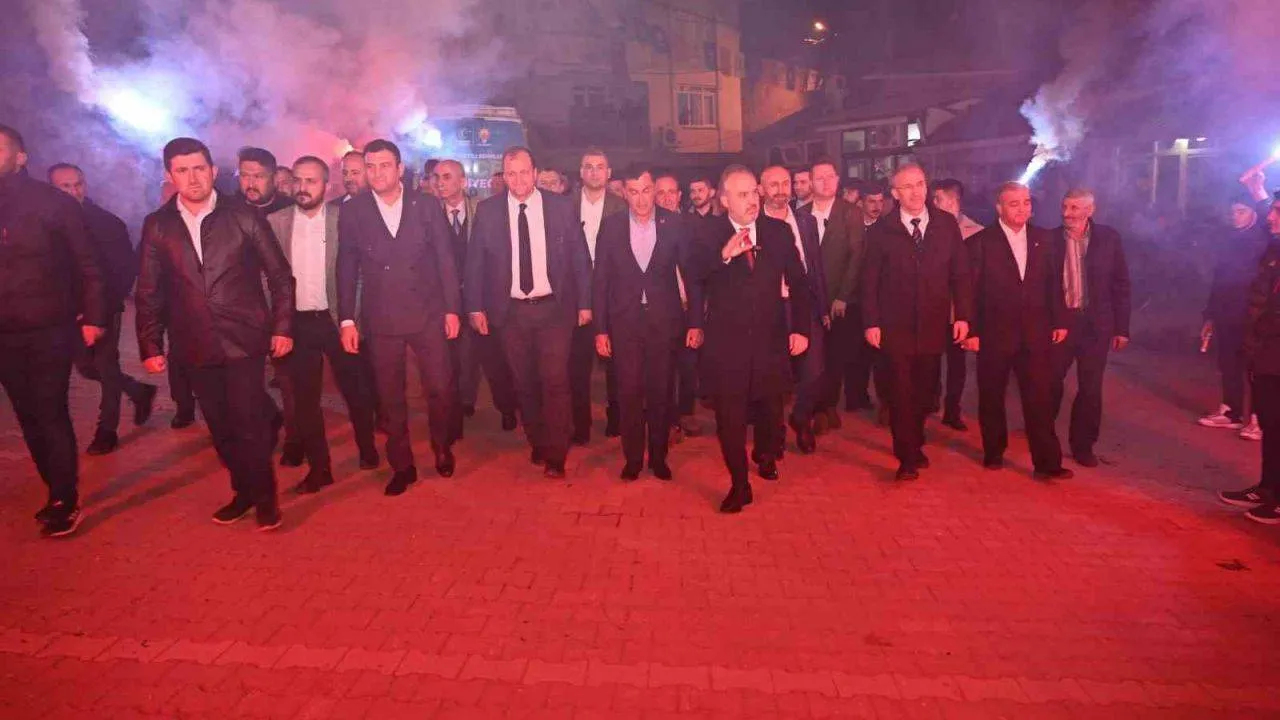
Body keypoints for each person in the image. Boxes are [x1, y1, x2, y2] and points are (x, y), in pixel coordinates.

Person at [136, 137, 295, 530]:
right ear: (169, 176)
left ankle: (265, 499)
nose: (193, 178)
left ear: (213, 171)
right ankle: (244, 491)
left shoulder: (242, 215)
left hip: (243, 339)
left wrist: (282, 327)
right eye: (182, 170)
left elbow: (280, 276)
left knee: (247, 423)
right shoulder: (158, 225)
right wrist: (150, 344)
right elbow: (149, 290)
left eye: (199, 168)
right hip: (193, 342)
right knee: (220, 428)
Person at [0, 124, 108, 538]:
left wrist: (94, 316)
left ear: (21, 157)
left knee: (49, 410)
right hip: (4, 333)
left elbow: (89, 264)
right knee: (26, 414)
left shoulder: (53, 204)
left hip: (49, 328)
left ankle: (65, 497)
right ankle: (54, 488)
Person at [336, 139, 461, 494]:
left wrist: (452, 309)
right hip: (382, 317)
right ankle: (402, 465)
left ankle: (441, 446)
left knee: (440, 387)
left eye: (384, 165)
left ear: (400, 169)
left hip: (428, 312)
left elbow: (445, 259)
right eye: (370, 166)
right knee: (390, 397)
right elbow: (346, 266)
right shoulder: (354, 210)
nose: (377, 173)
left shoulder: (426, 205)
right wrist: (347, 319)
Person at [686, 166, 811, 513]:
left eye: (754, 192)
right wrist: (724, 255)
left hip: (770, 343)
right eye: (742, 195)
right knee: (730, 419)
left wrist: (801, 329)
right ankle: (740, 485)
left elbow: (799, 282)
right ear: (725, 200)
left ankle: (766, 454)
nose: (752, 200)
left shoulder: (778, 231)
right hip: (726, 347)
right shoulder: (707, 233)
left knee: (771, 414)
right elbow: (693, 274)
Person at [465, 146, 593, 479]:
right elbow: (475, 262)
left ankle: (556, 453)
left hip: (554, 310)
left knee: (555, 380)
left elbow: (580, 258)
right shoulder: (488, 211)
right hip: (511, 313)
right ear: (503, 176)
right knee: (524, 382)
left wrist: (585, 302)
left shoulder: (560, 207)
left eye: (524, 172)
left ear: (535, 173)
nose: (519, 180)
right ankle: (538, 440)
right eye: (511, 173)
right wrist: (475, 306)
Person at [266, 156, 380, 494]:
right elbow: (268, 277)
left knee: (355, 392)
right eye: (298, 180)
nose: (303, 187)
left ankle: (367, 448)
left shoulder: (343, 219)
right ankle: (320, 469)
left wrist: (352, 318)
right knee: (304, 401)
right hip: (298, 323)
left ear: (326, 186)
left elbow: (360, 273)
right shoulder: (276, 223)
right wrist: (278, 325)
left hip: (337, 320)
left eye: (311, 181)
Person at [862, 165, 972, 480]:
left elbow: (961, 274)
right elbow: (869, 281)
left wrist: (963, 316)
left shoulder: (945, 224)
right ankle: (906, 456)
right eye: (907, 187)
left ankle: (915, 440)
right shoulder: (882, 230)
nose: (915, 192)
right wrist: (871, 322)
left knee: (925, 393)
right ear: (895, 194)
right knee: (900, 392)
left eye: (920, 184)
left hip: (933, 324)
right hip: (894, 326)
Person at [593, 166, 701, 480]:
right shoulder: (611, 227)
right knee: (628, 393)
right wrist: (600, 329)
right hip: (624, 323)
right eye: (634, 192)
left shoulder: (674, 224)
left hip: (664, 322)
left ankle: (658, 456)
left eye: (646, 190)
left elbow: (691, 276)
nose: (641, 199)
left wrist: (695, 322)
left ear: (654, 190)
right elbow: (600, 281)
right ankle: (632, 459)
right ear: (624, 194)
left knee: (661, 392)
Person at [964, 181, 1072, 480]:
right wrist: (971, 330)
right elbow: (969, 292)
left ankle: (1047, 463)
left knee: (1039, 398)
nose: (1023, 209)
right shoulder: (980, 243)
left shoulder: (1044, 240)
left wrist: (1059, 320)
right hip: (993, 334)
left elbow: (1054, 284)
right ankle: (994, 452)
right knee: (991, 396)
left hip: (1035, 333)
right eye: (1014, 204)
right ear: (999, 208)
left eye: (1026, 202)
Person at [48, 163, 158, 455]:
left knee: (107, 366)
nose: (74, 191)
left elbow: (125, 269)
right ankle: (137, 390)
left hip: (103, 307)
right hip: (65, 311)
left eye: (78, 184)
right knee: (86, 367)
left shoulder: (107, 223)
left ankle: (106, 430)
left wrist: (99, 310)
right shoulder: (46, 222)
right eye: (65, 186)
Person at [1049, 188, 1132, 467]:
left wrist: (1121, 328)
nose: (1067, 213)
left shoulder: (1108, 239)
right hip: (1061, 324)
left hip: (1096, 325)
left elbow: (1121, 284)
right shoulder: (1049, 240)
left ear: (1089, 210)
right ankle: (1043, 431)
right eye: (1064, 207)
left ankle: (1083, 445)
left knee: (1091, 387)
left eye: (1074, 208)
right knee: (1050, 381)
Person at [436, 159, 519, 433]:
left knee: (493, 357)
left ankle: (507, 408)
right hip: (445, 301)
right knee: (450, 361)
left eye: (447, 177)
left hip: (483, 298)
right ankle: (460, 407)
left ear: (463, 182)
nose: (440, 183)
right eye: (437, 177)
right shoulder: (429, 214)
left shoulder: (483, 210)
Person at [1220, 188, 1280, 524]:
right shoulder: (1274, 248)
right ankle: (1269, 488)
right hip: (1267, 351)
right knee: (1270, 423)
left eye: (1277, 211)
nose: (1270, 216)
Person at [760, 164, 827, 454]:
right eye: (773, 184)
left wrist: (823, 306)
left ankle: (801, 417)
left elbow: (816, 266)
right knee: (774, 375)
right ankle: (774, 430)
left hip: (804, 305)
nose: (780, 190)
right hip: (769, 309)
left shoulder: (806, 221)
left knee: (815, 371)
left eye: (785, 183)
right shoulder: (753, 225)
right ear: (761, 189)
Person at [798, 159, 865, 432]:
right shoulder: (800, 214)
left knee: (836, 355)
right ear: (810, 182)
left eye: (830, 177)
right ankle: (814, 406)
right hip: (811, 300)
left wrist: (843, 296)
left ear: (838, 180)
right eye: (819, 178)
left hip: (840, 298)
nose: (826, 183)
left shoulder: (851, 212)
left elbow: (856, 257)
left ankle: (829, 406)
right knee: (813, 359)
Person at [1200, 195, 1270, 439]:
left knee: (1255, 367)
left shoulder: (1264, 241)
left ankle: (1259, 419)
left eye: (1241, 211)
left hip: (1252, 314)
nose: (1235, 216)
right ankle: (1232, 411)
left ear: (1254, 214)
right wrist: (1210, 315)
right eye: (1233, 212)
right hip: (1227, 311)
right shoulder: (1229, 240)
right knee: (1228, 361)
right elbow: (1219, 280)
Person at [572, 148, 626, 442]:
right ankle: (579, 424)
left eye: (600, 166)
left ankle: (616, 416)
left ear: (609, 173)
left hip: (614, 293)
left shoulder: (622, 207)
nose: (594, 172)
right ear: (581, 172)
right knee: (576, 363)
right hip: (575, 295)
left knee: (616, 362)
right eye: (588, 166)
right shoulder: (564, 206)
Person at [930, 178, 984, 430]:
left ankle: (952, 409)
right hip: (933, 307)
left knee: (956, 362)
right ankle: (930, 400)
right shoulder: (929, 227)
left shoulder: (975, 233)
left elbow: (976, 279)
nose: (933, 203)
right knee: (929, 358)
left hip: (959, 310)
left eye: (938, 199)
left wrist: (969, 314)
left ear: (953, 201)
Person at [655, 169, 703, 440]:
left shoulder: (694, 227)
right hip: (661, 311)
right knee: (663, 367)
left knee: (688, 365)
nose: (666, 198)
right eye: (660, 192)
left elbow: (700, 274)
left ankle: (686, 412)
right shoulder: (646, 228)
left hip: (690, 306)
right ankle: (669, 419)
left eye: (671, 192)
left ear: (680, 195)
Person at [236, 147, 294, 215]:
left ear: (274, 179)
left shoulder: (292, 210)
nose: (251, 184)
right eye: (244, 176)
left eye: (258, 177)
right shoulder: (228, 208)